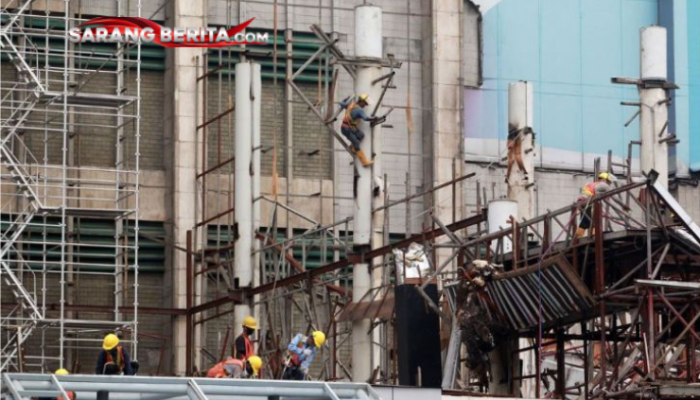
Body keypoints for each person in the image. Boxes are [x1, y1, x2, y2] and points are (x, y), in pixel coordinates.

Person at [339, 94, 379, 167]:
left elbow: (341, 104)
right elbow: (366, 118)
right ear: (361, 101)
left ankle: (352, 147)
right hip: (347, 129)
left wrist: (344, 101)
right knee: (356, 142)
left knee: (361, 135)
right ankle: (364, 162)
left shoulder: (351, 105)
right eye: (365, 103)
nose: (365, 105)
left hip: (349, 127)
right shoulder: (359, 110)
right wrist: (374, 118)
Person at [576, 172, 614, 238]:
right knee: (594, 222)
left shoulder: (592, 184)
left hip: (582, 203)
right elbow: (612, 193)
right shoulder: (602, 184)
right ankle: (594, 237)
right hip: (589, 203)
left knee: (584, 222)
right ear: (604, 179)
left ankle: (578, 238)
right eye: (608, 182)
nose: (608, 184)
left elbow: (594, 193)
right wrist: (622, 205)